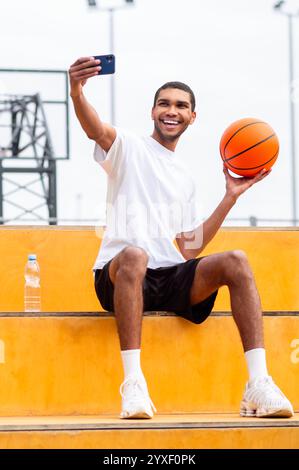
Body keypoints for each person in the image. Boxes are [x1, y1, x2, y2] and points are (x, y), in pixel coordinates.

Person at [69, 56, 294, 420]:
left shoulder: (185, 176)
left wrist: (230, 197)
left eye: (181, 105)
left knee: (236, 259)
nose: (171, 110)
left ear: (192, 117)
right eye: (164, 103)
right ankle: (134, 383)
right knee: (135, 255)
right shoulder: (129, 146)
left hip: (168, 277)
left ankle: (258, 383)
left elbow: (188, 246)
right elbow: (95, 129)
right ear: (153, 111)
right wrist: (76, 90)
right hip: (121, 275)